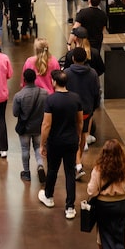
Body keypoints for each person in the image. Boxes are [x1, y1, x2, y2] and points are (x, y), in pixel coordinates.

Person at [38, 70, 83, 220]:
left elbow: (46, 124)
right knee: (70, 173)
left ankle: (49, 196)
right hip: (71, 141)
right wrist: (77, 135)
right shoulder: (76, 98)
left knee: (52, 170)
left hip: (55, 142)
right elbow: (80, 121)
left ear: (54, 82)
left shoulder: (51, 100)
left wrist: (42, 144)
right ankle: (70, 207)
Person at [65, 46, 101, 179]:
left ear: (73, 58)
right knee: (83, 134)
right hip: (86, 110)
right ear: (86, 58)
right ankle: (78, 160)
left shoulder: (67, 73)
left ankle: (77, 163)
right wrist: (94, 106)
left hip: (71, 110)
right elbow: (97, 92)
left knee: (74, 136)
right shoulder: (92, 74)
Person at [13, 69, 48, 183]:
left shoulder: (19, 96)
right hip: (39, 126)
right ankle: (40, 165)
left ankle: (27, 172)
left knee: (25, 149)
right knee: (38, 147)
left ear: (24, 79)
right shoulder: (44, 93)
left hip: (25, 128)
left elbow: (15, 113)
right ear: (35, 79)